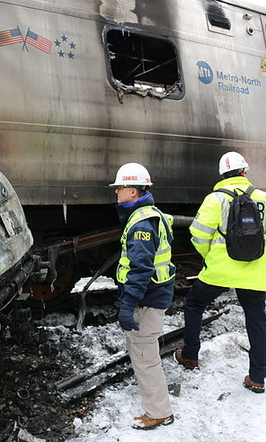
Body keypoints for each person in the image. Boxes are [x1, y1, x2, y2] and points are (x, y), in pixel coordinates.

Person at [174, 152, 266, 394]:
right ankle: (257, 378)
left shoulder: (215, 199)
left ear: (222, 175)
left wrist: (210, 256)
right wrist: (257, 253)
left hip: (219, 270)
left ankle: (190, 355)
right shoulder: (265, 198)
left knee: (194, 305)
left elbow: (199, 234)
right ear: (244, 172)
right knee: (256, 321)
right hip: (253, 274)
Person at [110, 162, 175, 430]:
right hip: (152, 297)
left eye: (120, 188)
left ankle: (159, 412)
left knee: (146, 357)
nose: (116, 193)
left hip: (147, 301)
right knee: (142, 353)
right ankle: (157, 407)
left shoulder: (141, 223)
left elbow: (140, 270)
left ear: (133, 191)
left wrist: (127, 306)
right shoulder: (150, 214)